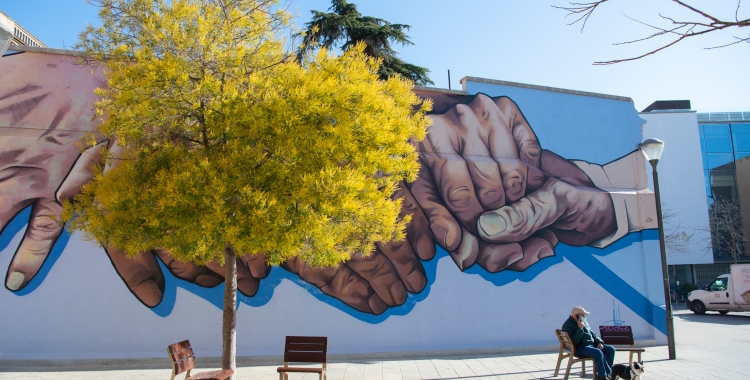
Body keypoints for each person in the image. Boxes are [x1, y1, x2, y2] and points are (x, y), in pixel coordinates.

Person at [562, 306, 615, 380]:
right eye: (583, 315)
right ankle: (602, 377)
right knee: (598, 352)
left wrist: (599, 342)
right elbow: (574, 342)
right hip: (579, 348)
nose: (584, 316)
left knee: (611, 350)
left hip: (591, 345)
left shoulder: (583, 321)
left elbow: (592, 333)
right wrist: (580, 328)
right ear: (576, 315)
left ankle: (606, 373)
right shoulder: (568, 325)